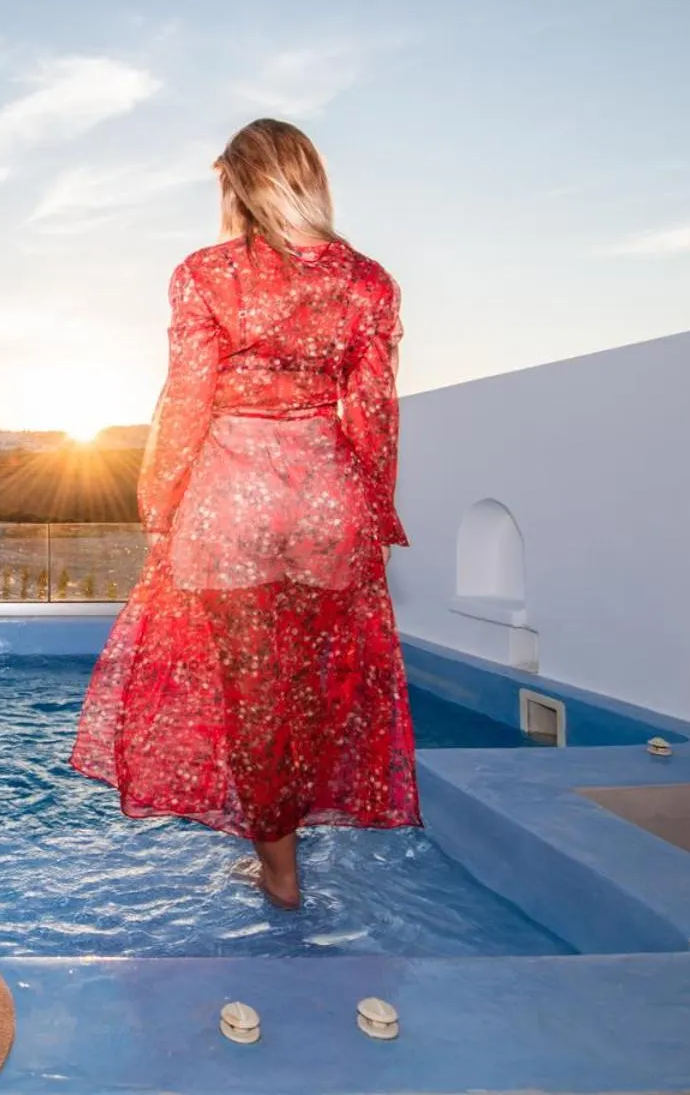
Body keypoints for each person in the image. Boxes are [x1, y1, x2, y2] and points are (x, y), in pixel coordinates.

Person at [71, 118, 420, 909]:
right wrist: (373, 512)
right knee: (318, 693)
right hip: (328, 498)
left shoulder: (205, 273)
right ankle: (290, 849)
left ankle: (279, 869)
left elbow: (188, 400)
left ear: (236, 184)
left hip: (232, 501)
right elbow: (373, 413)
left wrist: (159, 505)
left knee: (253, 696)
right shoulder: (369, 281)